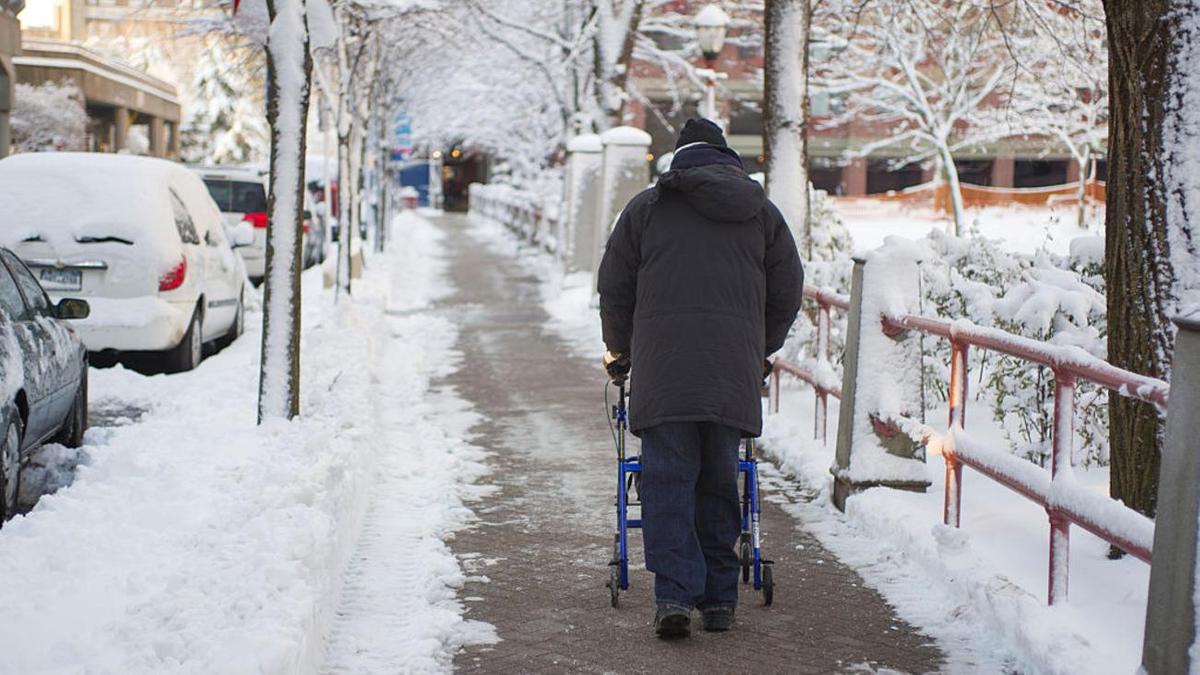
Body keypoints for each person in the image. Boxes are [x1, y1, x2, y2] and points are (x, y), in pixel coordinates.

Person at [598, 118, 804, 639]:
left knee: (667, 481)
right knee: (718, 482)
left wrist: (621, 350)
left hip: (663, 373)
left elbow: (616, 286)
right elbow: (787, 288)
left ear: (678, 160)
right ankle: (718, 600)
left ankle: (672, 596)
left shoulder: (646, 209)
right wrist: (759, 347)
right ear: (727, 158)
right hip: (730, 373)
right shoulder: (761, 213)